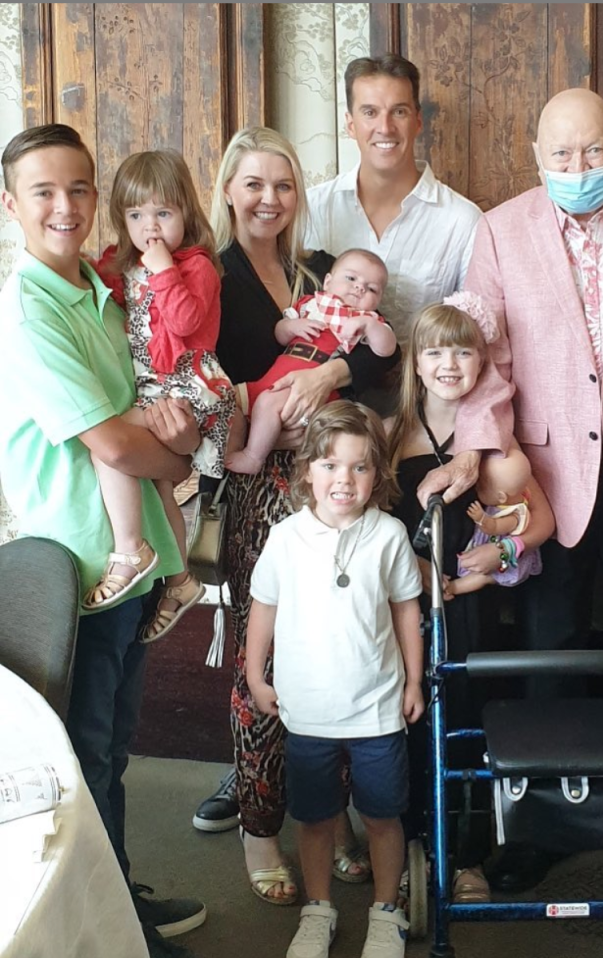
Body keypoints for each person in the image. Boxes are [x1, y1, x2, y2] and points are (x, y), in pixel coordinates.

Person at [419, 89, 603, 892]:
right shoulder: (499, 230)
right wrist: (488, 457)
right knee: (546, 645)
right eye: (561, 156)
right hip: (540, 484)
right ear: (536, 155)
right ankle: (540, 818)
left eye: (592, 152)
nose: (579, 169)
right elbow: (484, 361)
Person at [0, 123, 205, 956]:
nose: (65, 206)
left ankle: (117, 894)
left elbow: (141, 423)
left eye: (79, 189)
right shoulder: (25, 305)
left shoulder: (96, 285)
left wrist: (175, 439)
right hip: (78, 566)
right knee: (81, 759)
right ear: (10, 204)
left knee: (112, 747)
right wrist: (182, 448)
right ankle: (106, 937)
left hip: (133, 560)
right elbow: (115, 443)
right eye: (43, 191)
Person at [189, 127, 399, 901]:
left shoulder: (320, 269)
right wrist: (273, 396)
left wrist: (333, 371)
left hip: (332, 486)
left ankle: (328, 817)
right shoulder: (213, 273)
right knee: (266, 660)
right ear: (229, 190)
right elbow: (198, 375)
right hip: (262, 490)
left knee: (337, 651)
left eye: (282, 185)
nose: (269, 199)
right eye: (253, 184)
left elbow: (383, 358)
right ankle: (260, 826)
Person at [386, 297, 553, 903]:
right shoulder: (392, 431)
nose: (449, 364)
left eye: (463, 351)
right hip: (405, 608)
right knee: (405, 728)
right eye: (434, 351)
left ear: (485, 361)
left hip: (469, 607)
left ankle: (466, 857)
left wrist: (498, 558)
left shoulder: (490, 443)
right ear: (416, 361)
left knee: (467, 726)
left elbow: (542, 523)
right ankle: (404, 851)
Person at [246, 401, 423, 958]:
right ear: (307, 472)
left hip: (376, 708)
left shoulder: (390, 535)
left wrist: (414, 681)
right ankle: (318, 910)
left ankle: (386, 911)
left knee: (381, 815)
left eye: (358, 467)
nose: (343, 479)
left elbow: (405, 611)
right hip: (309, 709)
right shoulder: (285, 537)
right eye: (329, 465)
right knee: (317, 818)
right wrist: (255, 673)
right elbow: (264, 607)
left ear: (377, 474)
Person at [88, 149, 233, 642]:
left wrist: (163, 268)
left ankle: (131, 550)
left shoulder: (196, 266)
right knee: (156, 484)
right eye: (136, 215)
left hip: (184, 385)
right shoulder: (123, 265)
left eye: (163, 214)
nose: (150, 228)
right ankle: (179, 578)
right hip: (150, 386)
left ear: (186, 214)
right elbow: (98, 289)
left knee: (111, 445)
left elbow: (187, 322)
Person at [305, 54, 481, 350]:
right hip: (320, 392)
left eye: (398, 112)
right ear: (350, 124)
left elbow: (472, 339)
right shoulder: (311, 209)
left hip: (420, 394)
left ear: (418, 120)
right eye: (370, 112)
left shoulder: (462, 222)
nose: (385, 128)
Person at [227, 248, 395, 475]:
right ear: (327, 282)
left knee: (268, 403)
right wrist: (292, 327)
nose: (359, 288)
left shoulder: (368, 320)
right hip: (273, 380)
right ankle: (231, 453)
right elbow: (279, 332)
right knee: (228, 400)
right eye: (351, 278)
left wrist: (370, 326)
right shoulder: (311, 305)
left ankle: (253, 457)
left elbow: (387, 351)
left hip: (306, 392)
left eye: (371, 288)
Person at [449, 440, 550, 595]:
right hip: (493, 548)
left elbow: (494, 527)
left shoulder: (514, 514)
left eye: (482, 486)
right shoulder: (515, 496)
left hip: (502, 557)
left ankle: (453, 588)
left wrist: (481, 518)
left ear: (501, 497)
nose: (477, 487)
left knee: (483, 577)